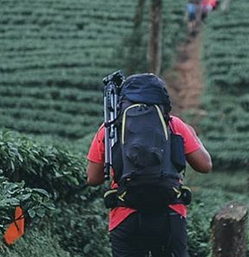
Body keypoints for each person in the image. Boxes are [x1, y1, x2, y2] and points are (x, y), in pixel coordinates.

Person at [86, 74, 212, 257]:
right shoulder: (174, 125)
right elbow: (205, 165)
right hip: (170, 213)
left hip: (126, 215)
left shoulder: (109, 129)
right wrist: (192, 134)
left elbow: (93, 178)